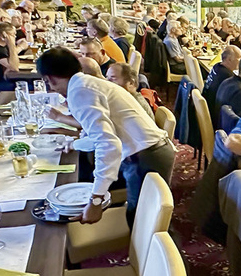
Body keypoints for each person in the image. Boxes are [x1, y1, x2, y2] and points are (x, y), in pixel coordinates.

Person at [37, 48, 174, 226]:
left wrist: (96, 200)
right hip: (148, 152)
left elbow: (107, 144)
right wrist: (75, 145)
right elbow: (101, 135)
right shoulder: (85, 83)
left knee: (147, 223)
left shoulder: (80, 91)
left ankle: (166, 254)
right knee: (144, 219)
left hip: (146, 157)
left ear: (49, 79)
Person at [202, 44, 241, 116]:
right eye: (239, 58)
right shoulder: (227, 76)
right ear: (229, 59)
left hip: (207, 106)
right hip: (214, 114)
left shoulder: (217, 66)